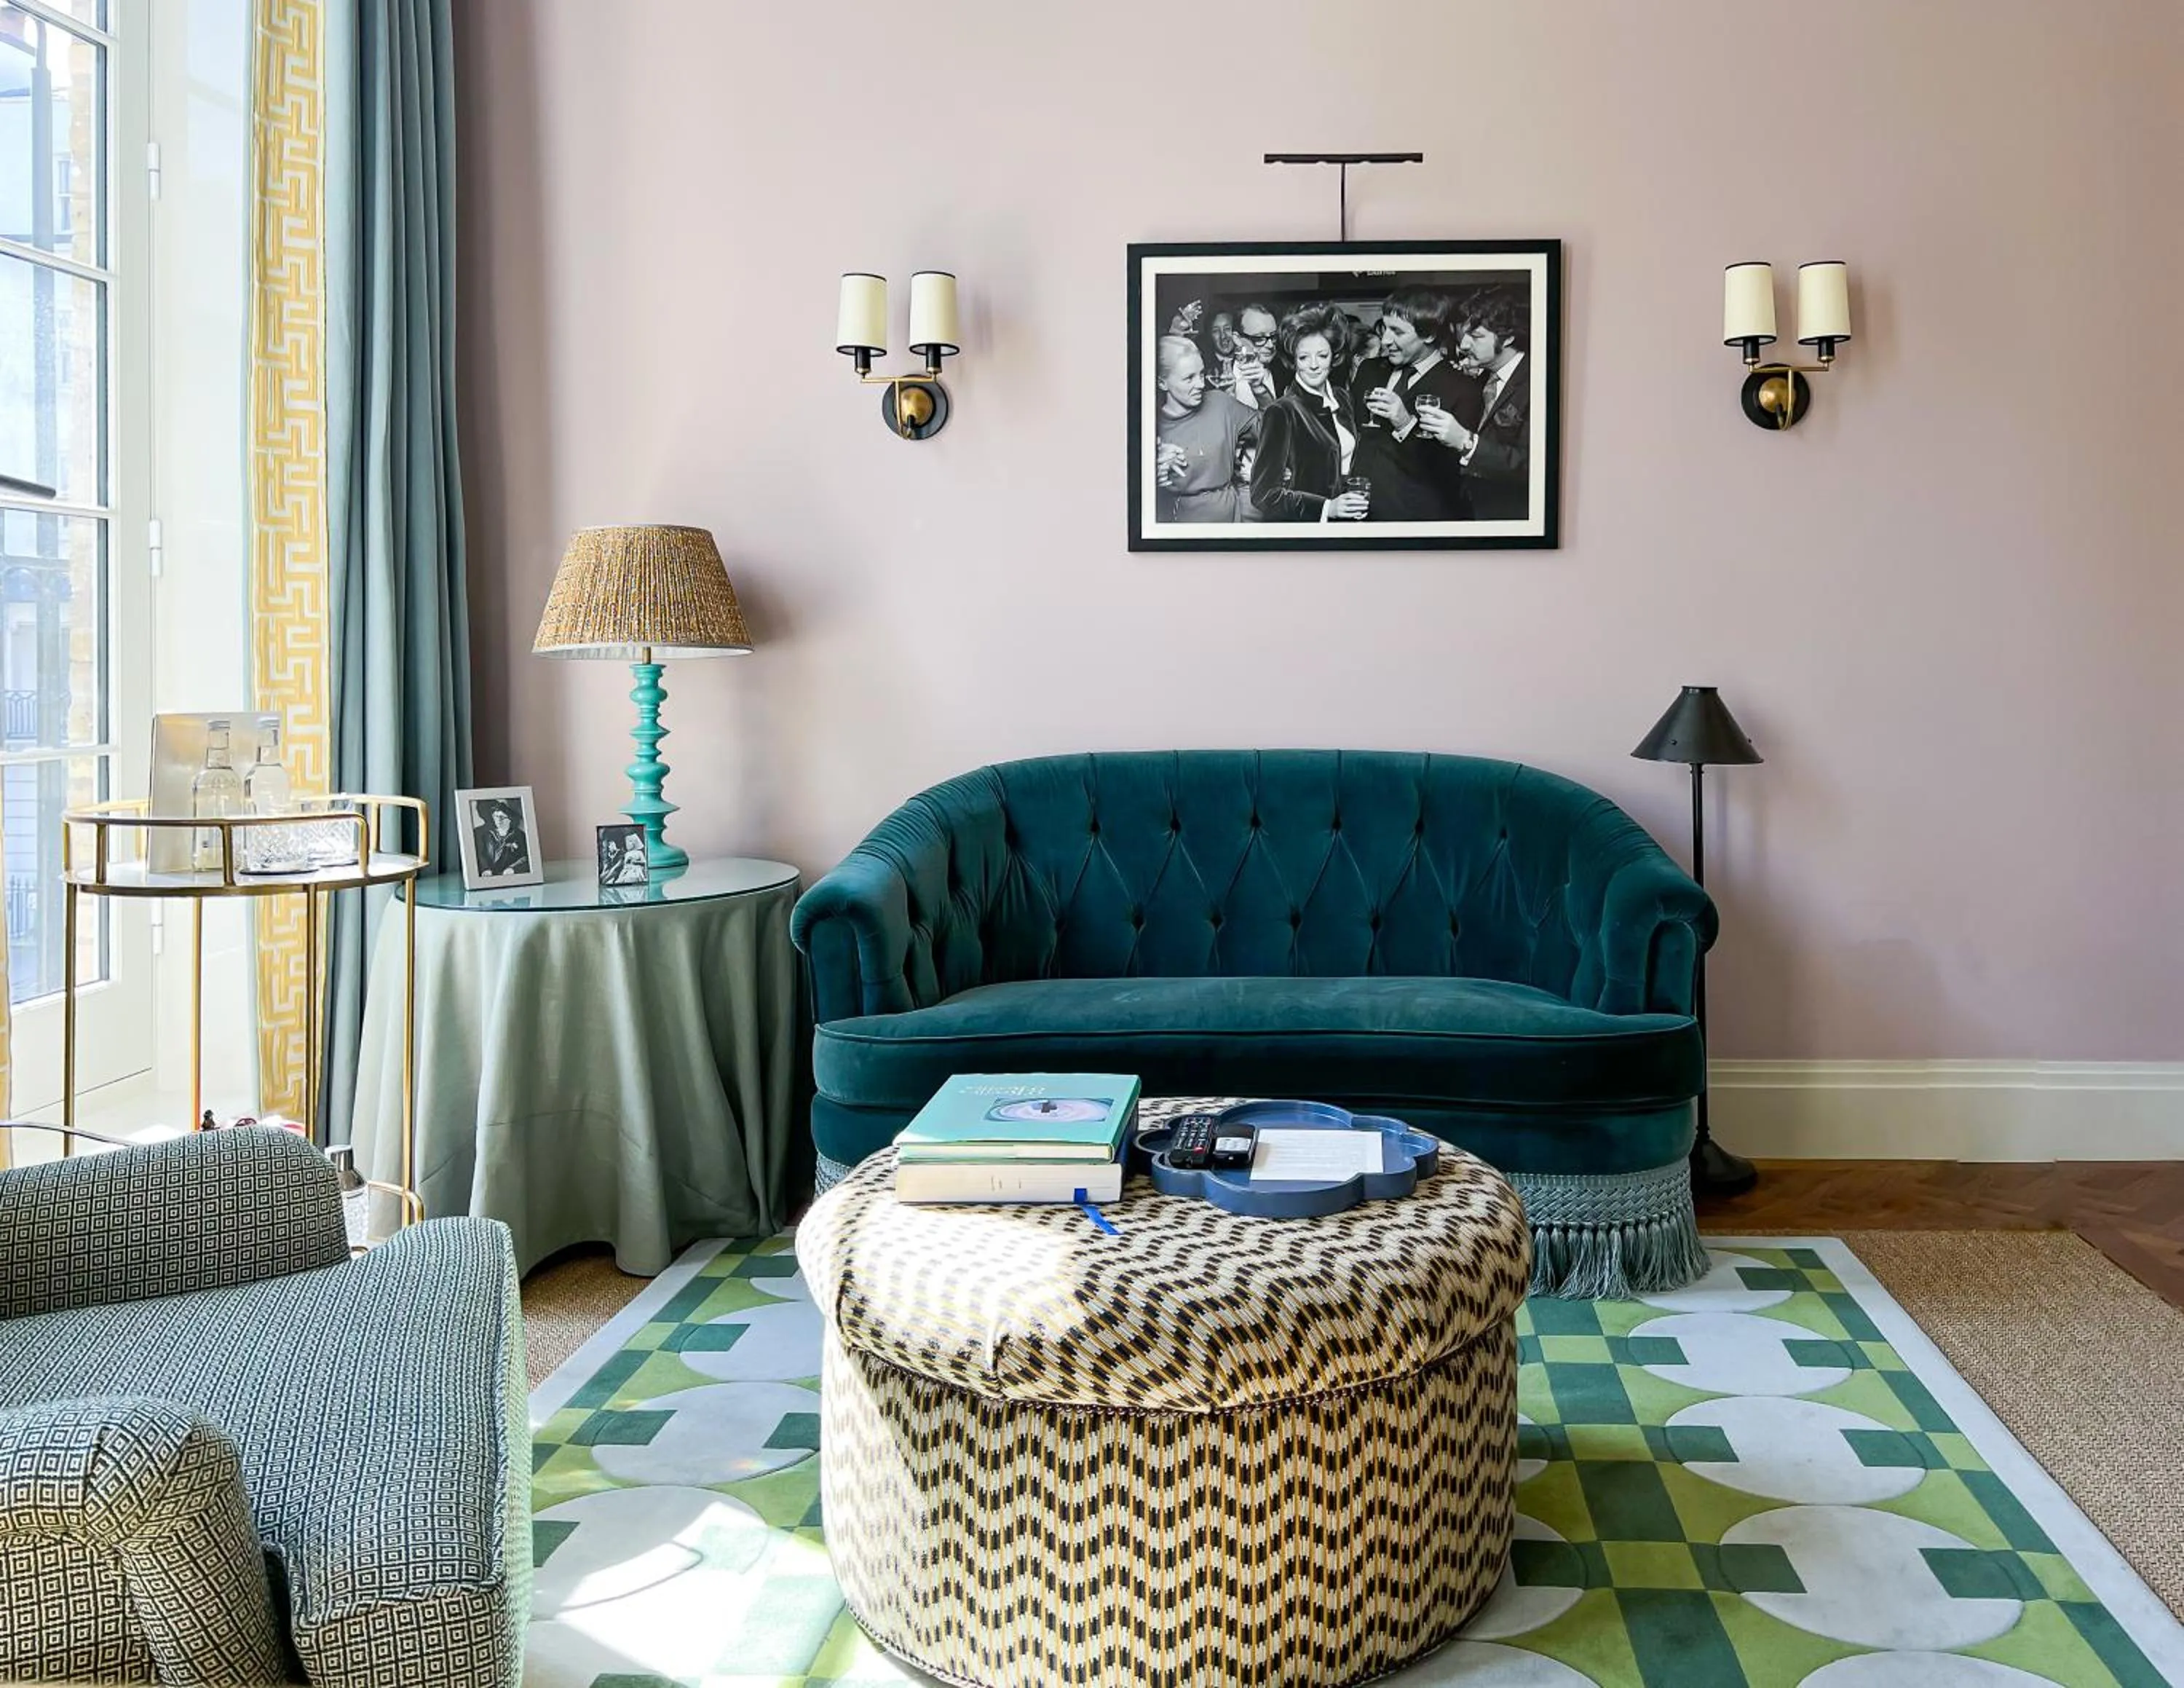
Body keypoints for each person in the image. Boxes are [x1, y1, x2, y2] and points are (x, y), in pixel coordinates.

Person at [1347, 288, 1480, 522]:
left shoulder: (1463, 389)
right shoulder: (1369, 370)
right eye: (1385, 328)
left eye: (1397, 331)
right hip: (1360, 512)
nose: (1386, 340)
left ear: (1429, 335)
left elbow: (1450, 475)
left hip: (1417, 519)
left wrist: (1404, 422)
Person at [1248, 303, 1369, 524]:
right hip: (1305, 529)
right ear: (1293, 360)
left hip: (1347, 524)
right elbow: (1263, 494)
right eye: (1304, 357)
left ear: (1334, 356)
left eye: (1322, 356)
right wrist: (1327, 508)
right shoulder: (1282, 411)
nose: (1314, 365)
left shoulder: (1343, 398)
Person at [1418, 291, 1530, 521]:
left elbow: (1535, 465)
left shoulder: (1537, 382)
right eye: (1465, 334)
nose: (1464, 345)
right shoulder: (1483, 377)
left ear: (1507, 338)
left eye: (1477, 337)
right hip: (1471, 507)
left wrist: (1466, 443)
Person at [1153, 335, 1260, 522]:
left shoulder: (1220, 403)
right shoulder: (1151, 428)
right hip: (1182, 532)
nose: (1201, 385)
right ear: (1162, 383)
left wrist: (1260, 389)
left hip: (1232, 523)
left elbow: (1276, 431)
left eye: (1202, 374)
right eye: (1189, 378)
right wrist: (1149, 471)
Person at [1226, 302, 1289, 410]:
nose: (1270, 345)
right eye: (1259, 338)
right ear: (1237, 338)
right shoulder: (1220, 376)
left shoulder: (1287, 374)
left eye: (1273, 337)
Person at [472, 800, 531, 878]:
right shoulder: (487, 835)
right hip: (489, 877)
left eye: (502, 817)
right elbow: (480, 855)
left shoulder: (520, 836)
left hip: (510, 877)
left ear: (510, 818)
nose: (498, 820)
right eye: (496, 816)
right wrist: (485, 869)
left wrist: (513, 869)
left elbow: (527, 857)